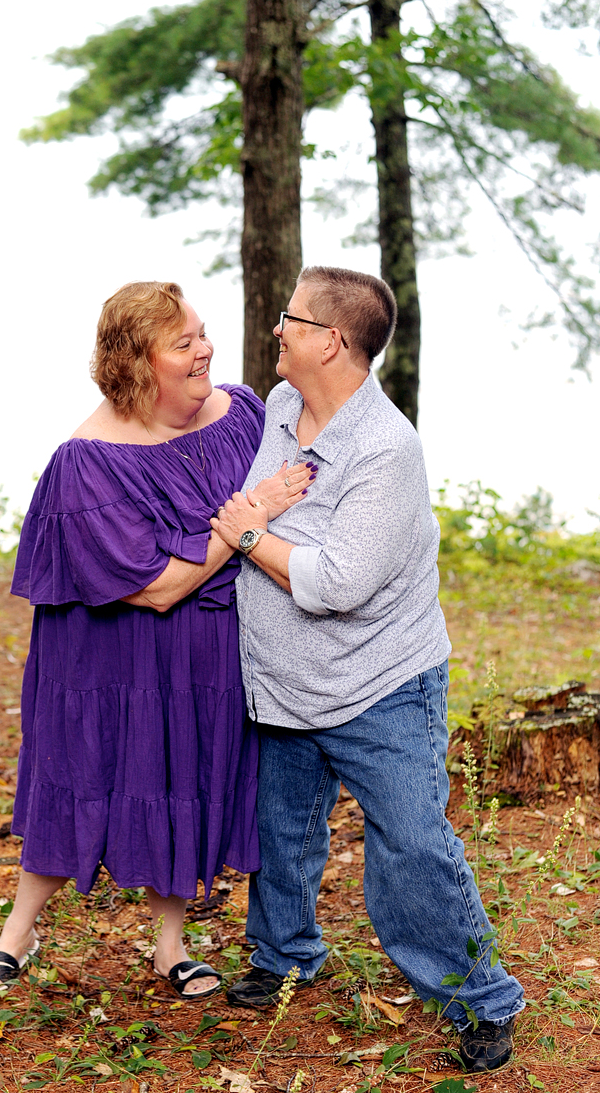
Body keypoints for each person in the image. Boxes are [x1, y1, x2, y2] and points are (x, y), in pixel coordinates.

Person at [210, 266, 524, 1071]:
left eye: (291, 317)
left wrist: (249, 535)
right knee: (281, 831)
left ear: (331, 340)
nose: (277, 326)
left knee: (410, 847)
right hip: (283, 679)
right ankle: (284, 957)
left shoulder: (386, 448)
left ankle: (480, 1000)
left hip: (378, 683)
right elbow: (265, 508)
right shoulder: (282, 408)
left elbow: (335, 583)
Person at [0, 281, 314, 1000]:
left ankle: (170, 945)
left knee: (179, 777)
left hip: (204, 654)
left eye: (202, 332)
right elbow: (157, 587)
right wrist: (247, 521)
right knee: (78, 777)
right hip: (105, 659)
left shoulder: (241, 412)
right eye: (183, 343)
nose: (205, 350)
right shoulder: (86, 463)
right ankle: (18, 931)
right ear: (136, 363)